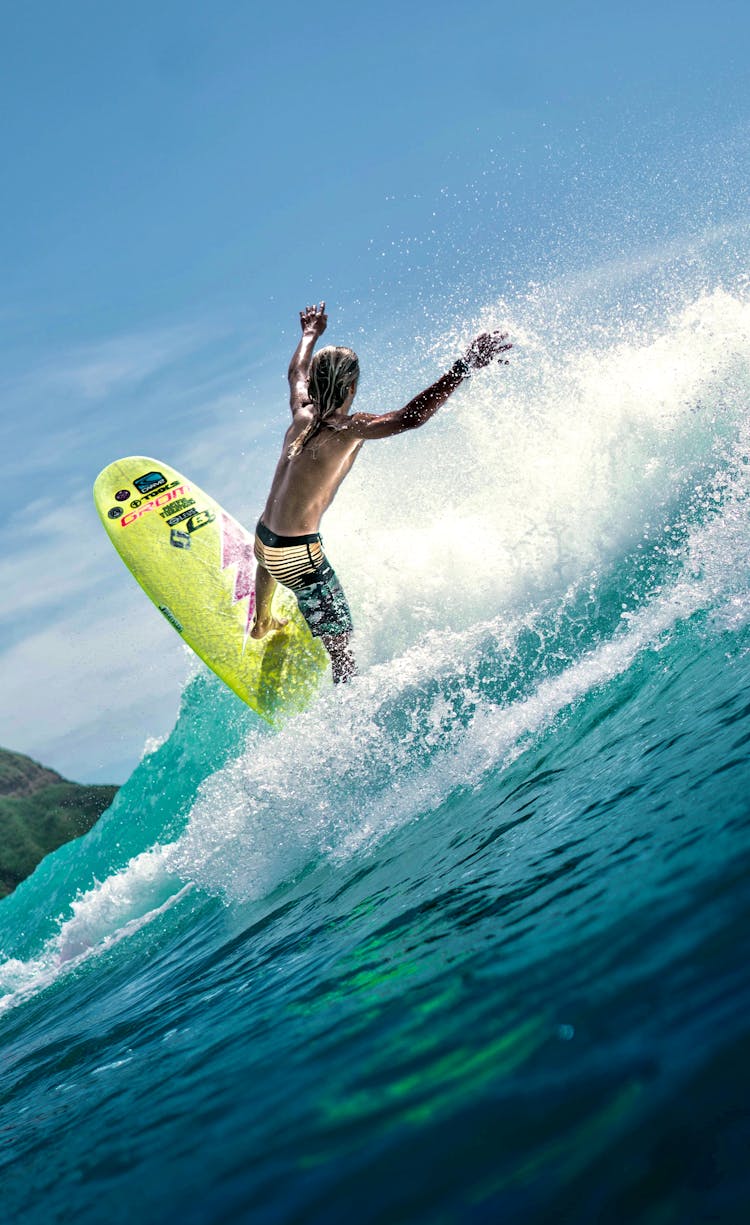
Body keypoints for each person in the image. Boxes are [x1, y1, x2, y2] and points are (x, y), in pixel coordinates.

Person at [251, 302, 512, 682]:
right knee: (344, 656)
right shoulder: (350, 428)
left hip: (263, 539)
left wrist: (309, 334)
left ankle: (261, 620)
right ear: (352, 387)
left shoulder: (301, 412)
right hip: (299, 559)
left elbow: (295, 372)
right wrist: (464, 366)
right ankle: (345, 711)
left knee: (269, 557)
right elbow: (411, 417)